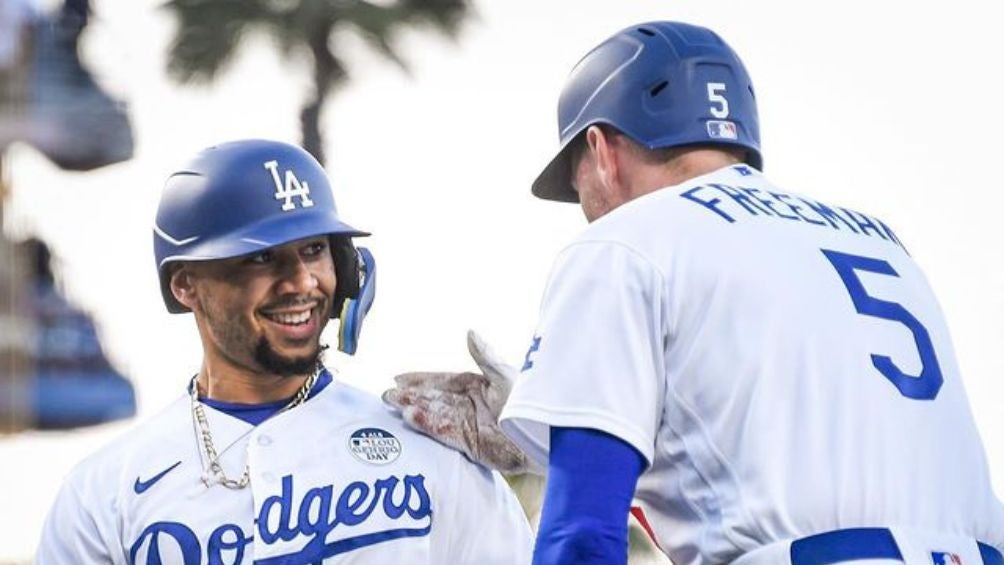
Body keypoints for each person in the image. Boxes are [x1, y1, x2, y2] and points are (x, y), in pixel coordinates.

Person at [384, 21, 1004, 564]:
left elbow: (582, 536)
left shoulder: (623, 242)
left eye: (577, 188)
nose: (586, 210)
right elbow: (790, 444)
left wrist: (581, 439)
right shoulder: (879, 239)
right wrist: (549, 427)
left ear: (600, 150)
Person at [36, 139, 532, 564]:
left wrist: (561, 451)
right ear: (186, 284)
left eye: (315, 250)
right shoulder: (104, 492)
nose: (300, 282)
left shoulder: (432, 450)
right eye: (261, 256)